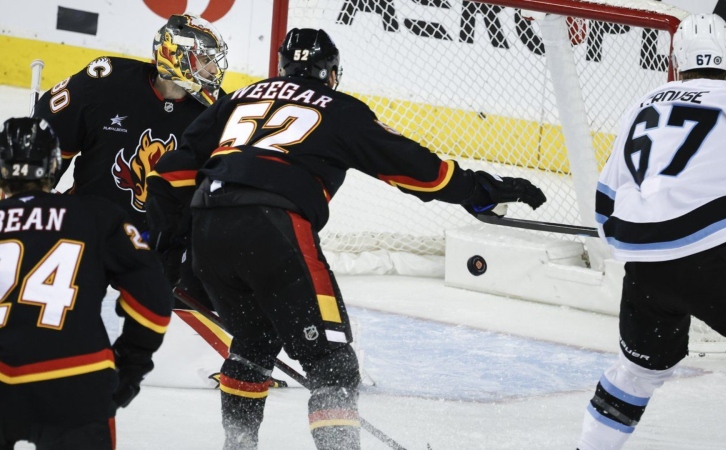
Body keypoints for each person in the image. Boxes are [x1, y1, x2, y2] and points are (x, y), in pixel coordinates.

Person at [152, 28, 546, 449]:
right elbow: (418, 169)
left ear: (284, 66)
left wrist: (169, 248)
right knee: (331, 363)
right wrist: (480, 192)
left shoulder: (240, 96)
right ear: (332, 73)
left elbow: (172, 170)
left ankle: (238, 446)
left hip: (209, 225)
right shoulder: (341, 109)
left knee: (253, 344)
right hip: (272, 226)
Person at [578, 13, 726, 450]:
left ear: (675, 61)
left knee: (636, 374)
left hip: (645, 269)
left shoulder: (644, 103)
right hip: (718, 261)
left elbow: (605, 205)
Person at [0, 117, 172, 449]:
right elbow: (153, 302)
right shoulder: (95, 215)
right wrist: (132, 364)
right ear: (53, 165)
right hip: (73, 377)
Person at [32, 13, 228, 286]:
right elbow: (47, 136)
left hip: (160, 247)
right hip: (86, 229)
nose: (213, 71)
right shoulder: (105, 83)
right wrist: (32, 195)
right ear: (176, 56)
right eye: (205, 60)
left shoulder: (216, 113)